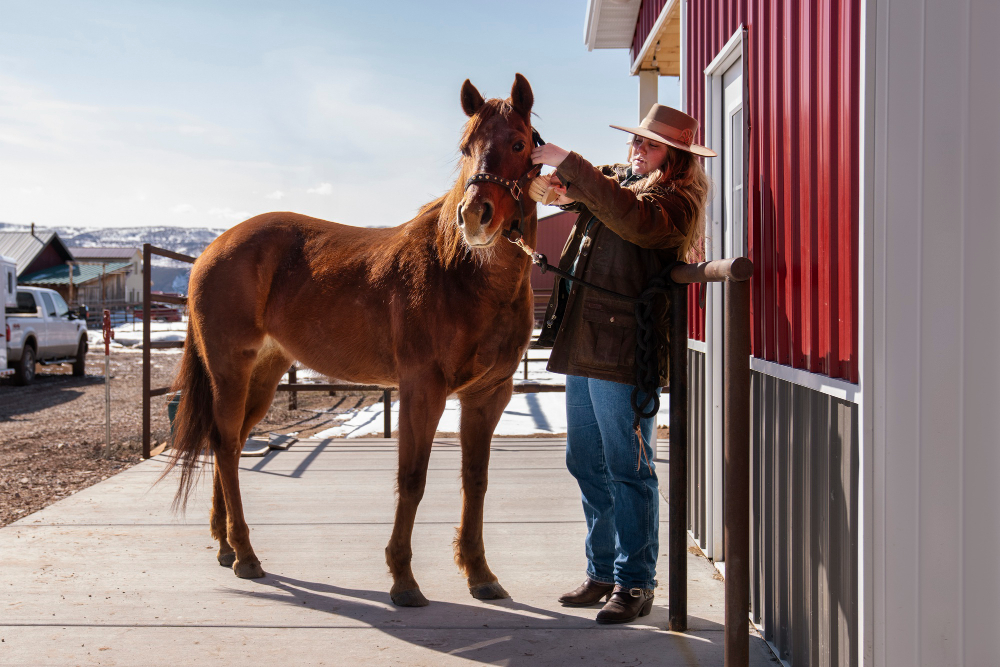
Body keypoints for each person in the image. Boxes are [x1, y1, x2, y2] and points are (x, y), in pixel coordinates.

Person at [530, 104, 714, 624]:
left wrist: (569, 162)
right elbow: (591, 194)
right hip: (584, 342)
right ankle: (603, 571)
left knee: (629, 468)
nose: (637, 151)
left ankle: (635, 583)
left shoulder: (672, 201)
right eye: (636, 142)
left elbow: (632, 219)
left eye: (650, 146)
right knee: (585, 461)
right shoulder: (620, 184)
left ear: (676, 160)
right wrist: (553, 184)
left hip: (625, 349)